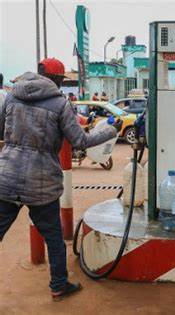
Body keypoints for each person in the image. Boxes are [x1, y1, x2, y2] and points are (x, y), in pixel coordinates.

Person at [0, 58, 122, 300]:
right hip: (42, 184)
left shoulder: (12, 96)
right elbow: (81, 141)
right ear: (56, 79)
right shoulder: (59, 103)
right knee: (54, 239)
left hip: (7, 177)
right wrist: (110, 130)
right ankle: (59, 285)